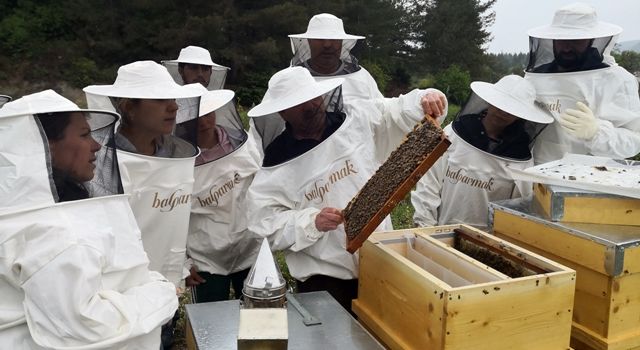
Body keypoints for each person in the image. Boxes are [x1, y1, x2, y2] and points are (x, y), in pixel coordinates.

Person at [246, 66, 446, 313]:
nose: (311, 106)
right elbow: (263, 222)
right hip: (323, 278)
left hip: (379, 261)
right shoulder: (276, 165)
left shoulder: (357, 118)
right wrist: (310, 221)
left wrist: (425, 98)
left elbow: (398, 110)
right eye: (299, 103)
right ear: (283, 112)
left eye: (313, 97)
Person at [0, 90, 178, 349]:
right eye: (84, 135)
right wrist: (161, 294)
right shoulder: (49, 231)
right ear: (43, 145)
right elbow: (84, 326)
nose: (96, 145)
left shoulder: (38, 213)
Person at [84, 61, 204, 348]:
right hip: (124, 300)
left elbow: (167, 221)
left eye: (173, 99)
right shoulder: (99, 163)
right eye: (160, 100)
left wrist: (181, 267)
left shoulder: (173, 152)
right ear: (128, 107)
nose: (173, 107)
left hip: (167, 290)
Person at [412, 75, 553, 228]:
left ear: (521, 114)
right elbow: (429, 185)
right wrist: (424, 227)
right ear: (490, 100)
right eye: (501, 104)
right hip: (439, 234)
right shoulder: (454, 135)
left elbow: (518, 208)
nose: (503, 112)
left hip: (487, 243)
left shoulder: (520, 155)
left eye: (512, 109)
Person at [525, 2, 640, 164]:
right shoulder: (535, 77)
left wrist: (596, 133)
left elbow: (634, 141)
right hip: (539, 173)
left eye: (575, 41)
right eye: (561, 40)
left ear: (591, 40)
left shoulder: (618, 79)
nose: (566, 47)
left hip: (594, 177)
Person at [183, 89, 262, 303]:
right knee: (209, 327)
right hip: (206, 261)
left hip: (250, 249)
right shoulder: (178, 159)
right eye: (195, 116)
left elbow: (262, 191)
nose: (203, 121)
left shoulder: (243, 147)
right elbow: (170, 216)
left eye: (208, 113)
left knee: (259, 319)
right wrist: (183, 264)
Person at [289, 13, 383, 101]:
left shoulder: (362, 77)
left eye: (334, 39)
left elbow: (381, 109)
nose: (327, 45)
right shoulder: (292, 79)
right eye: (320, 39)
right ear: (309, 41)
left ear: (342, 42)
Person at [163, 45, 230, 90]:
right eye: (193, 67)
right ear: (181, 70)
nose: (200, 74)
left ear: (211, 72)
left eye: (205, 68)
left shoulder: (215, 103)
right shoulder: (171, 105)